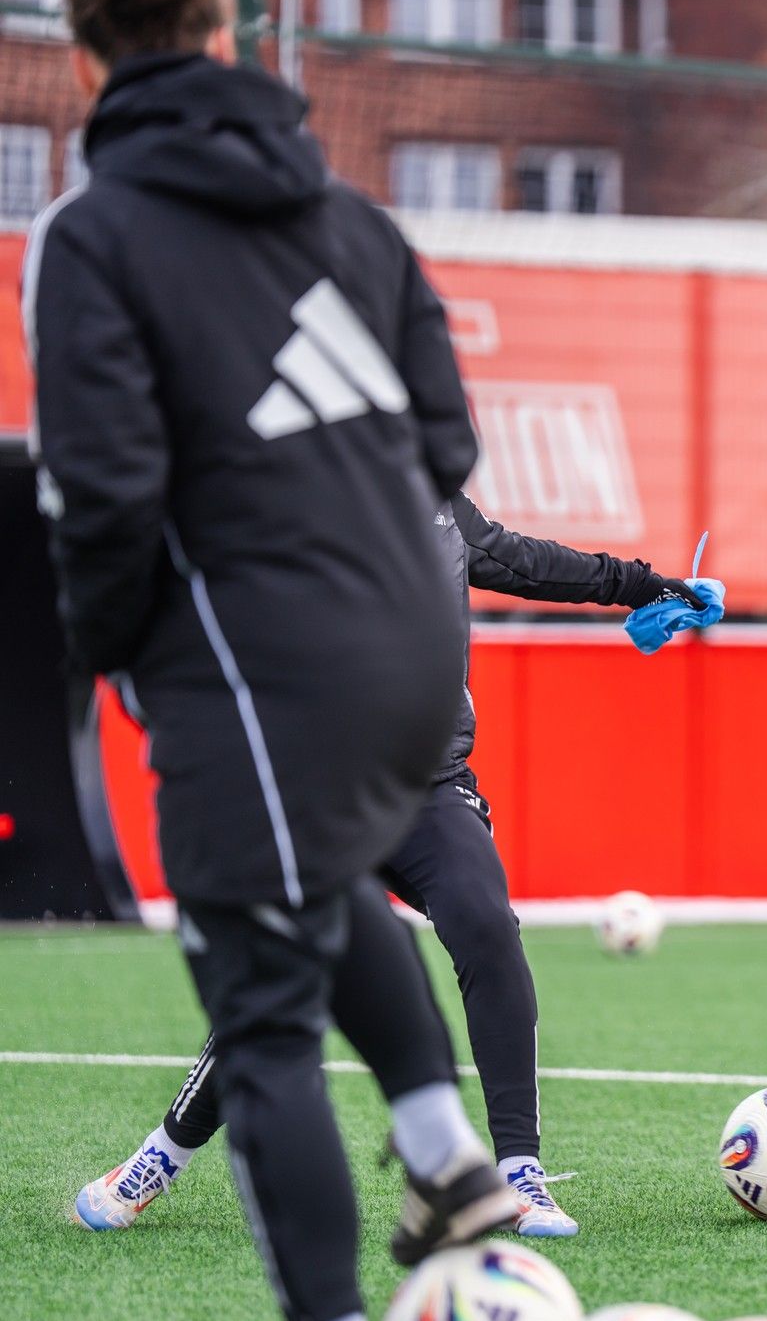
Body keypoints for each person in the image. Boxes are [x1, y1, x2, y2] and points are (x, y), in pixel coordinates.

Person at [28, 0, 516, 1321]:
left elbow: (102, 491)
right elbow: (449, 443)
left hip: (253, 661)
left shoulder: (88, 234)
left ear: (84, 65)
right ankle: (447, 1155)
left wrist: (113, 650)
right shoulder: (354, 217)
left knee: (263, 1023)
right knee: (324, 886)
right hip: (418, 644)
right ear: (226, 34)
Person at [72, 493, 702, 1240]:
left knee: (487, 929)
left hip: (429, 789)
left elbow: (528, 561)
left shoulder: (436, 503)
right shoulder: (289, 504)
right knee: (280, 978)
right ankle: (162, 1154)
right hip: (316, 801)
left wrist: (644, 585)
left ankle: (519, 1174)